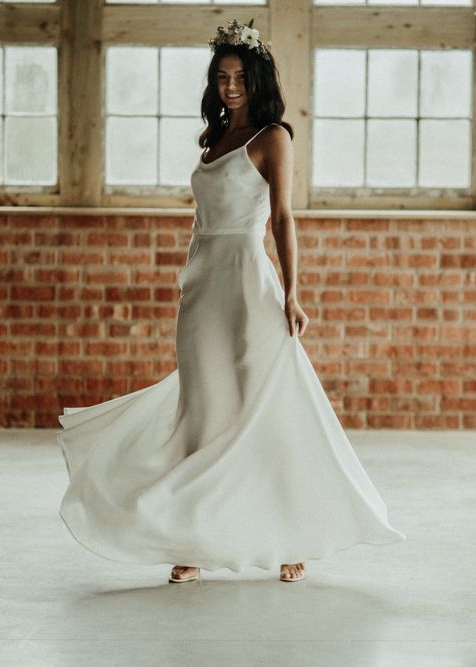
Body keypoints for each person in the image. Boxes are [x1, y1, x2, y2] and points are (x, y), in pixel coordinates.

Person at [57, 18, 406, 584]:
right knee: (203, 411)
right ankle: (192, 539)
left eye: (240, 76)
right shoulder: (212, 139)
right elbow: (202, 220)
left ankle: (292, 534)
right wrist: (187, 274)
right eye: (222, 77)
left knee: (263, 410)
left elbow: (284, 218)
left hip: (249, 284)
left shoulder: (274, 138)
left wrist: (293, 292)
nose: (230, 86)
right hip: (204, 287)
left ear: (257, 77)